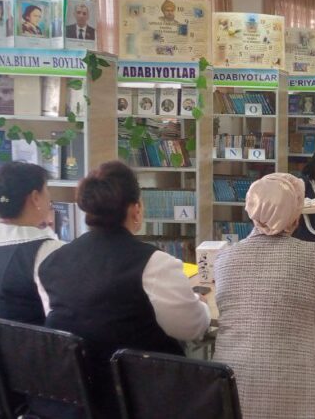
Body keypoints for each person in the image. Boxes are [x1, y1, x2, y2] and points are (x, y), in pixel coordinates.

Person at [38, 161, 210, 418]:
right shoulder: (155, 264)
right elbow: (191, 328)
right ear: (135, 208)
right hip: (145, 397)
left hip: (77, 397)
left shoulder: (51, 261)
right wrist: (201, 305)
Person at [213, 173, 315, 419]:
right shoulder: (314, 256)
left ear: (251, 211)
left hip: (230, 392)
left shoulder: (224, 259)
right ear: (295, 217)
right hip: (297, 391)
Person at [0, 162, 63, 407]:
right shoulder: (47, 249)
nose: (50, 199)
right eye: (47, 191)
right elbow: (61, 314)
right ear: (35, 197)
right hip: (23, 369)